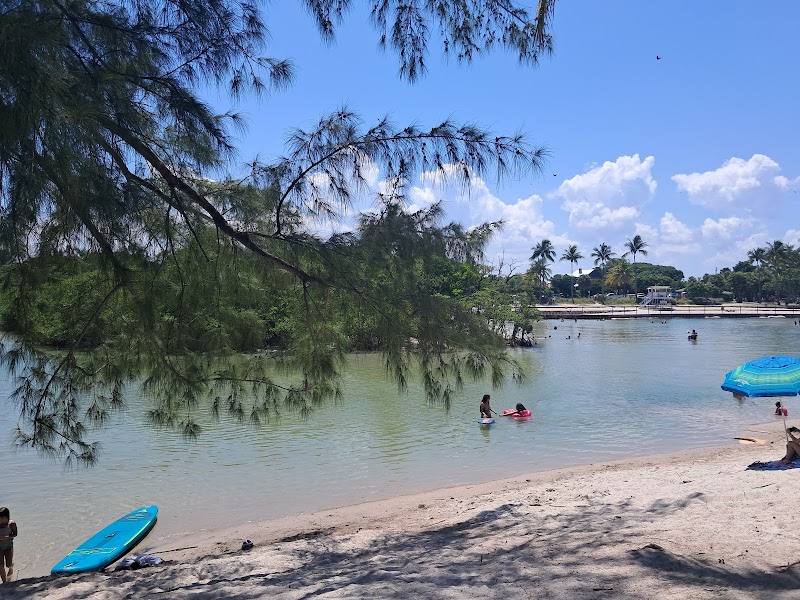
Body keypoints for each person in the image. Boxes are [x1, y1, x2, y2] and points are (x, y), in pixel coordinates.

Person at [0, 507, 16, 584]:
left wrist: (7, 537)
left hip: (8, 547)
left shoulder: (11, 524)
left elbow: (15, 534)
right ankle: (4, 582)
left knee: (9, 564)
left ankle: (11, 568)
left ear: (4, 518)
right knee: (0, 566)